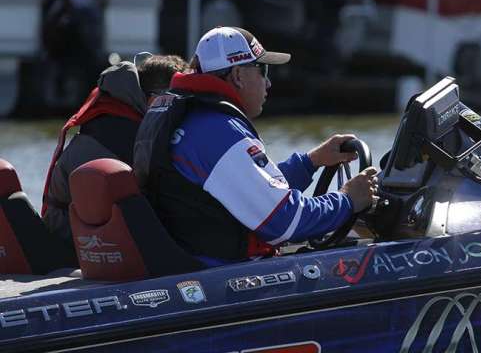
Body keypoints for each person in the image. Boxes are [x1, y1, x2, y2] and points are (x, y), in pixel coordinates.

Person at [134, 26, 377, 268]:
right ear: (238, 75)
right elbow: (286, 222)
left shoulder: (192, 120)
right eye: (263, 70)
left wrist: (310, 162)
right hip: (219, 273)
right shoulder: (219, 132)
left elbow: (248, 189)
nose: (268, 83)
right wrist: (348, 199)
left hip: (189, 266)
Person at [42, 55, 189, 249]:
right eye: (181, 102)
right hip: (79, 246)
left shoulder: (108, 118)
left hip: (63, 236)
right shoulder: (133, 138)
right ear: (156, 100)